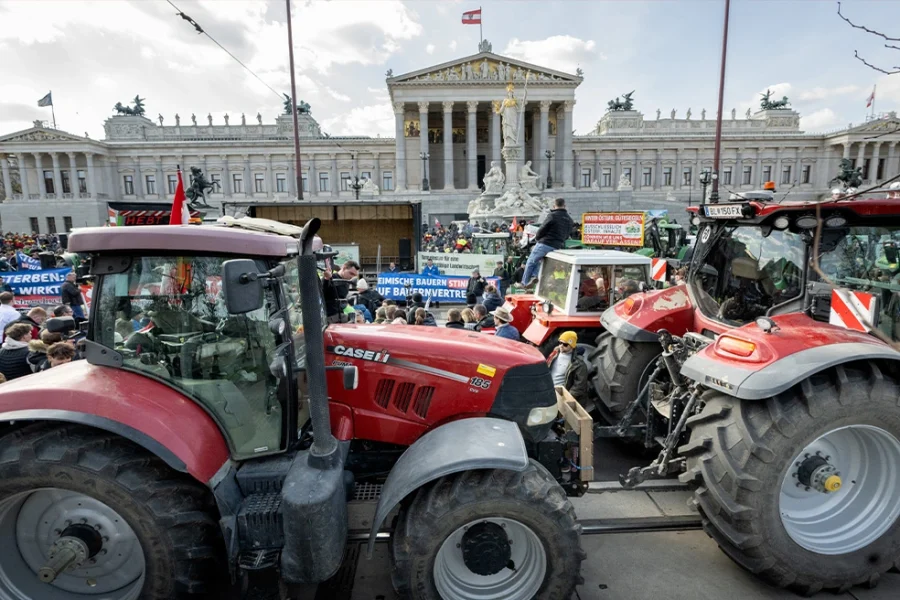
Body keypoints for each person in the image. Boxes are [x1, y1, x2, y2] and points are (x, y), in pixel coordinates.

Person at [521, 198, 574, 286]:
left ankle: (525, 283)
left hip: (546, 243)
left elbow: (542, 228)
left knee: (531, 261)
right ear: (565, 206)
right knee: (539, 261)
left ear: (554, 206)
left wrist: (537, 238)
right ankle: (534, 276)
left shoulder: (552, 215)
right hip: (558, 245)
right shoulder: (569, 219)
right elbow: (567, 234)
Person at [546, 331, 589, 404]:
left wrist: (566, 399)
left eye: (565, 344)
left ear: (572, 345)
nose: (561, 346)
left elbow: (579, 386)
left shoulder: (578, 364)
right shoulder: (555, 353)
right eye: (560, 343)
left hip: (560, 396)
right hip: (547, 391)